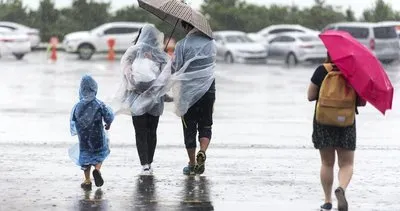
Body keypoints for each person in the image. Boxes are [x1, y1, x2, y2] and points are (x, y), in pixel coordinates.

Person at [307, 53, 366, 211]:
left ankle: (327, 201)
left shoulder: (322, 70)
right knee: (346, 164)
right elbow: (362, 101)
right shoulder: (354, 73)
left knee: (327, 163)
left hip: (323, 122)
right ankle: (341, 189)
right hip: (346, 122)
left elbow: (310, 96)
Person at [114, 24, 169, 175]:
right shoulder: (160, 54)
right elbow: (166, 76)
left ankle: (144, 163)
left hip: (136, 98)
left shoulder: (133, 52)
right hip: (155, 100)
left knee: (140, 132)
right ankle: (149, 161)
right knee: (152, 131)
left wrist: (135, 82)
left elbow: (126, 72)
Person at [171, 20, 217, 176]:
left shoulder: (182, 45)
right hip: (208, 90)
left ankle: (192, 163)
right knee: (206, 124)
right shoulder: (211, 43)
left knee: (189, 126)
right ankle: (202, 151)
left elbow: (176, 68)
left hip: (188, 93)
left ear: (185, 26)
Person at [70, 75, 114, 190]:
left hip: (84, 138)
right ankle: (97, 170)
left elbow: (73, 119)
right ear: (95, 89)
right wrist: (108, 124)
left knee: (85, 156)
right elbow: (108, 115)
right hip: (97, 136)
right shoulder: (99, 104)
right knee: (100, 153)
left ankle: (87, 180)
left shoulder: (78, 106)